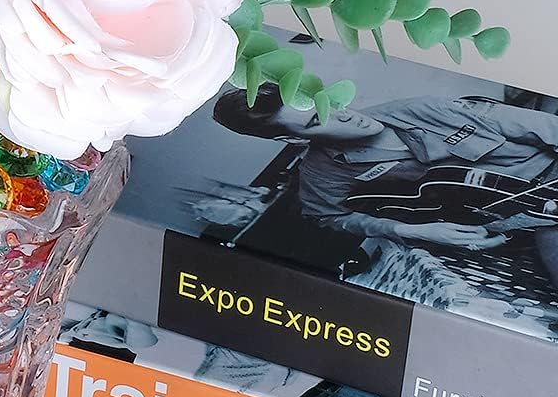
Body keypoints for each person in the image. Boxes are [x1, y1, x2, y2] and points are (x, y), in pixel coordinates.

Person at [213, 85, 558, 289]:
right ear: (293, 139)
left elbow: (543, 126)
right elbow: (327, 216)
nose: (344, 114)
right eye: (318, 119)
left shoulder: (422, 108)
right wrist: (413, 230)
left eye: (327, 101)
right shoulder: (322, 171)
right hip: (531, 218)